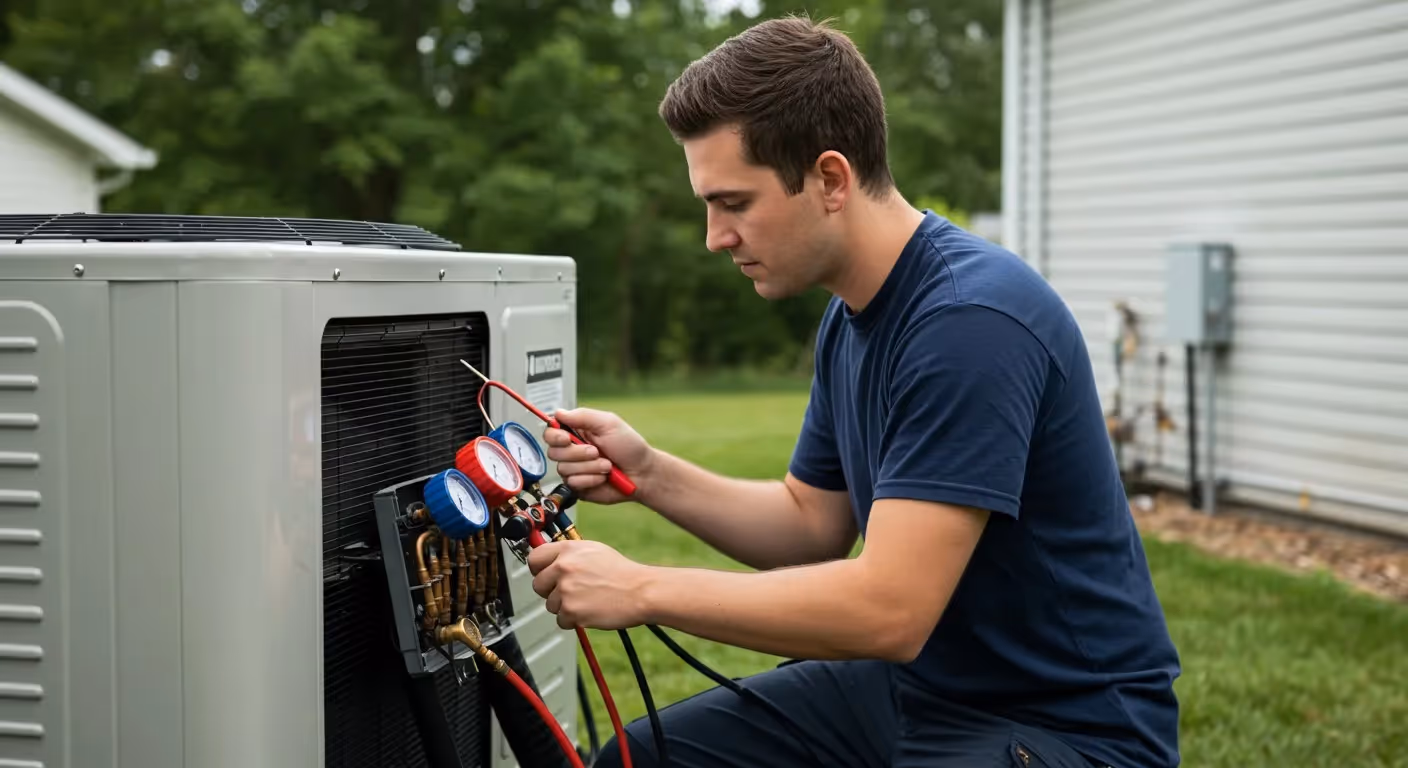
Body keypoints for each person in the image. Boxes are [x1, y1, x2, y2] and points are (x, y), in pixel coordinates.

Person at [526, 14, 1181, 768]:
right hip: (919, 690)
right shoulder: (851, 317)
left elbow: (889, 610)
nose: (714, 236)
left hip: (1065, 728)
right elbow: (812, 524)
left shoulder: (970, 322)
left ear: (831, 179)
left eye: (734, 203)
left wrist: (641, 588)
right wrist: (647, 475)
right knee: (645, 760)